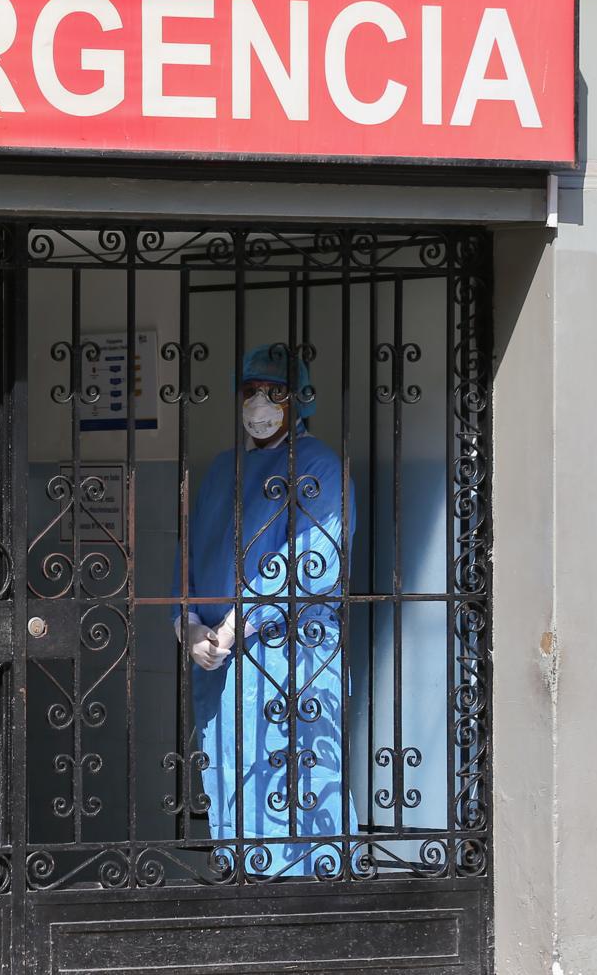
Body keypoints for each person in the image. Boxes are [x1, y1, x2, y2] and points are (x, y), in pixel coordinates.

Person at [173, 344, 356, 877]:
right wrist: (187, 625)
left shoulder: (319, 465)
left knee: (293, 770)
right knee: (231, 767)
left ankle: (309, 892)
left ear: (297, 399)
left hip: (291, 655)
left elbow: (314, 560)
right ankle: (243, 881)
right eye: (249, 392)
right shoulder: (223, 468)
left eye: (273, 393)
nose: (259, 404)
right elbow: (194, 548)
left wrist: (239, 624)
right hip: (217, 653)